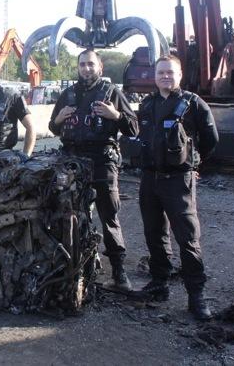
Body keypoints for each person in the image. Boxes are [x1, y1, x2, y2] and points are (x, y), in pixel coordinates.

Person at [136, 55, 218, 321]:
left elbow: (210, 139)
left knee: (188, 237)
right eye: (161, 73)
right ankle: (160, 282)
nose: (165, 77)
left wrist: (193, 163)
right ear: (155, 76)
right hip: (150, 179)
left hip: (178, 180)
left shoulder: (194, 104)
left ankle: (197, 295)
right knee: (154, 232)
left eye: (170, 73)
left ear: (180, 75)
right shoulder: (147, 105)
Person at [49, 49, 138, 291]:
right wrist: (59, 120)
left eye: (91, 64)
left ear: (100, 67)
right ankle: (72, 266)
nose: (86, 69)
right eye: (82, 65)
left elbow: (133, 129)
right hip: (71, 162)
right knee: (69, 215)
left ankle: (120, 274)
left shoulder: (112, 93)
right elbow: (53, 127)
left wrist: (116, 114)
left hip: (101, 161)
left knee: (109, 215)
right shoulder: (68, 94)